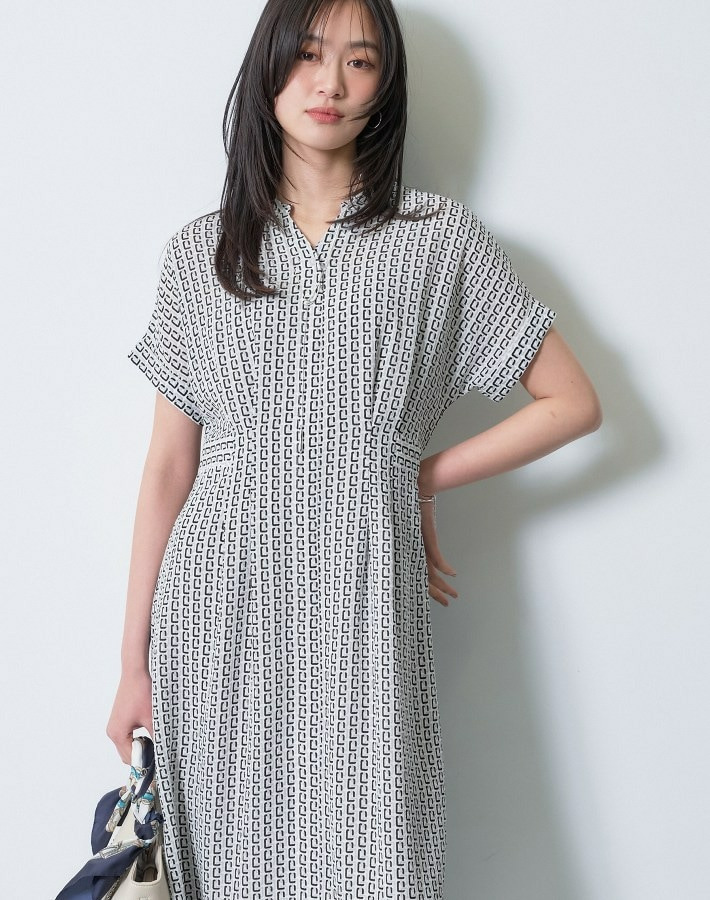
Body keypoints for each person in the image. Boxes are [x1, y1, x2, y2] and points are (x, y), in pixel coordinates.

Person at [106, 0, 602, 897]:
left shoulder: (438, 240)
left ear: (385, 87)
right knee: (228, 858)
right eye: (307, 54)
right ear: (268, 70)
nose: (330, 82)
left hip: (365, 597)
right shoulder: (201, 252)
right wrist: (131, 662)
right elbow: (169, 467)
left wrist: (420, 475)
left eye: (360, 61)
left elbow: (572, 403)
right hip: (217, 603)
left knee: (374, 853)